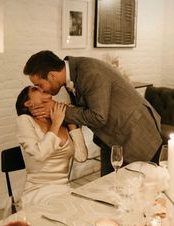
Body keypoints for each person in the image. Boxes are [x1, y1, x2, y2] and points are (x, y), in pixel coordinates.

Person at [23, 50, 163, 176]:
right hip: (113, 136)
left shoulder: (89, 72)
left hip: (137, 133)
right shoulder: (72, 73)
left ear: (52, 75)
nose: (42, 90)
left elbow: (98, 117)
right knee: (110, 185)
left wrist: (61, 110)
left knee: (141, 186)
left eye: (40, 85)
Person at [15, 86, 88, 206]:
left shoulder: (60, 119)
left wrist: (71, 122)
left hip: (64, 188)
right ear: (28, 103)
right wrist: (56, 123)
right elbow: (39, 154)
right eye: (35, 89)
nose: (41, 88)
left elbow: (81, 157)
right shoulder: (24, 120)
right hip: (38, 190)